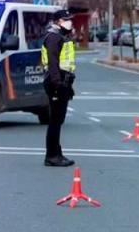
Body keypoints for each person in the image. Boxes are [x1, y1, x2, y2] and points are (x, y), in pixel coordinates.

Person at [41, 10, 77, 167]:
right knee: (55, 120)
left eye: (70, 19)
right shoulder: (54, 37)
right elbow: (53, 63)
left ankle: (57, 152)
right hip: (56, 81)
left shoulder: (61, 36)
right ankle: (52, 156)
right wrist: (58, 84)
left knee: (58, 119)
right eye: (65, 19)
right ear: (57, 21)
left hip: (63, 81)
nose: (69, 22)